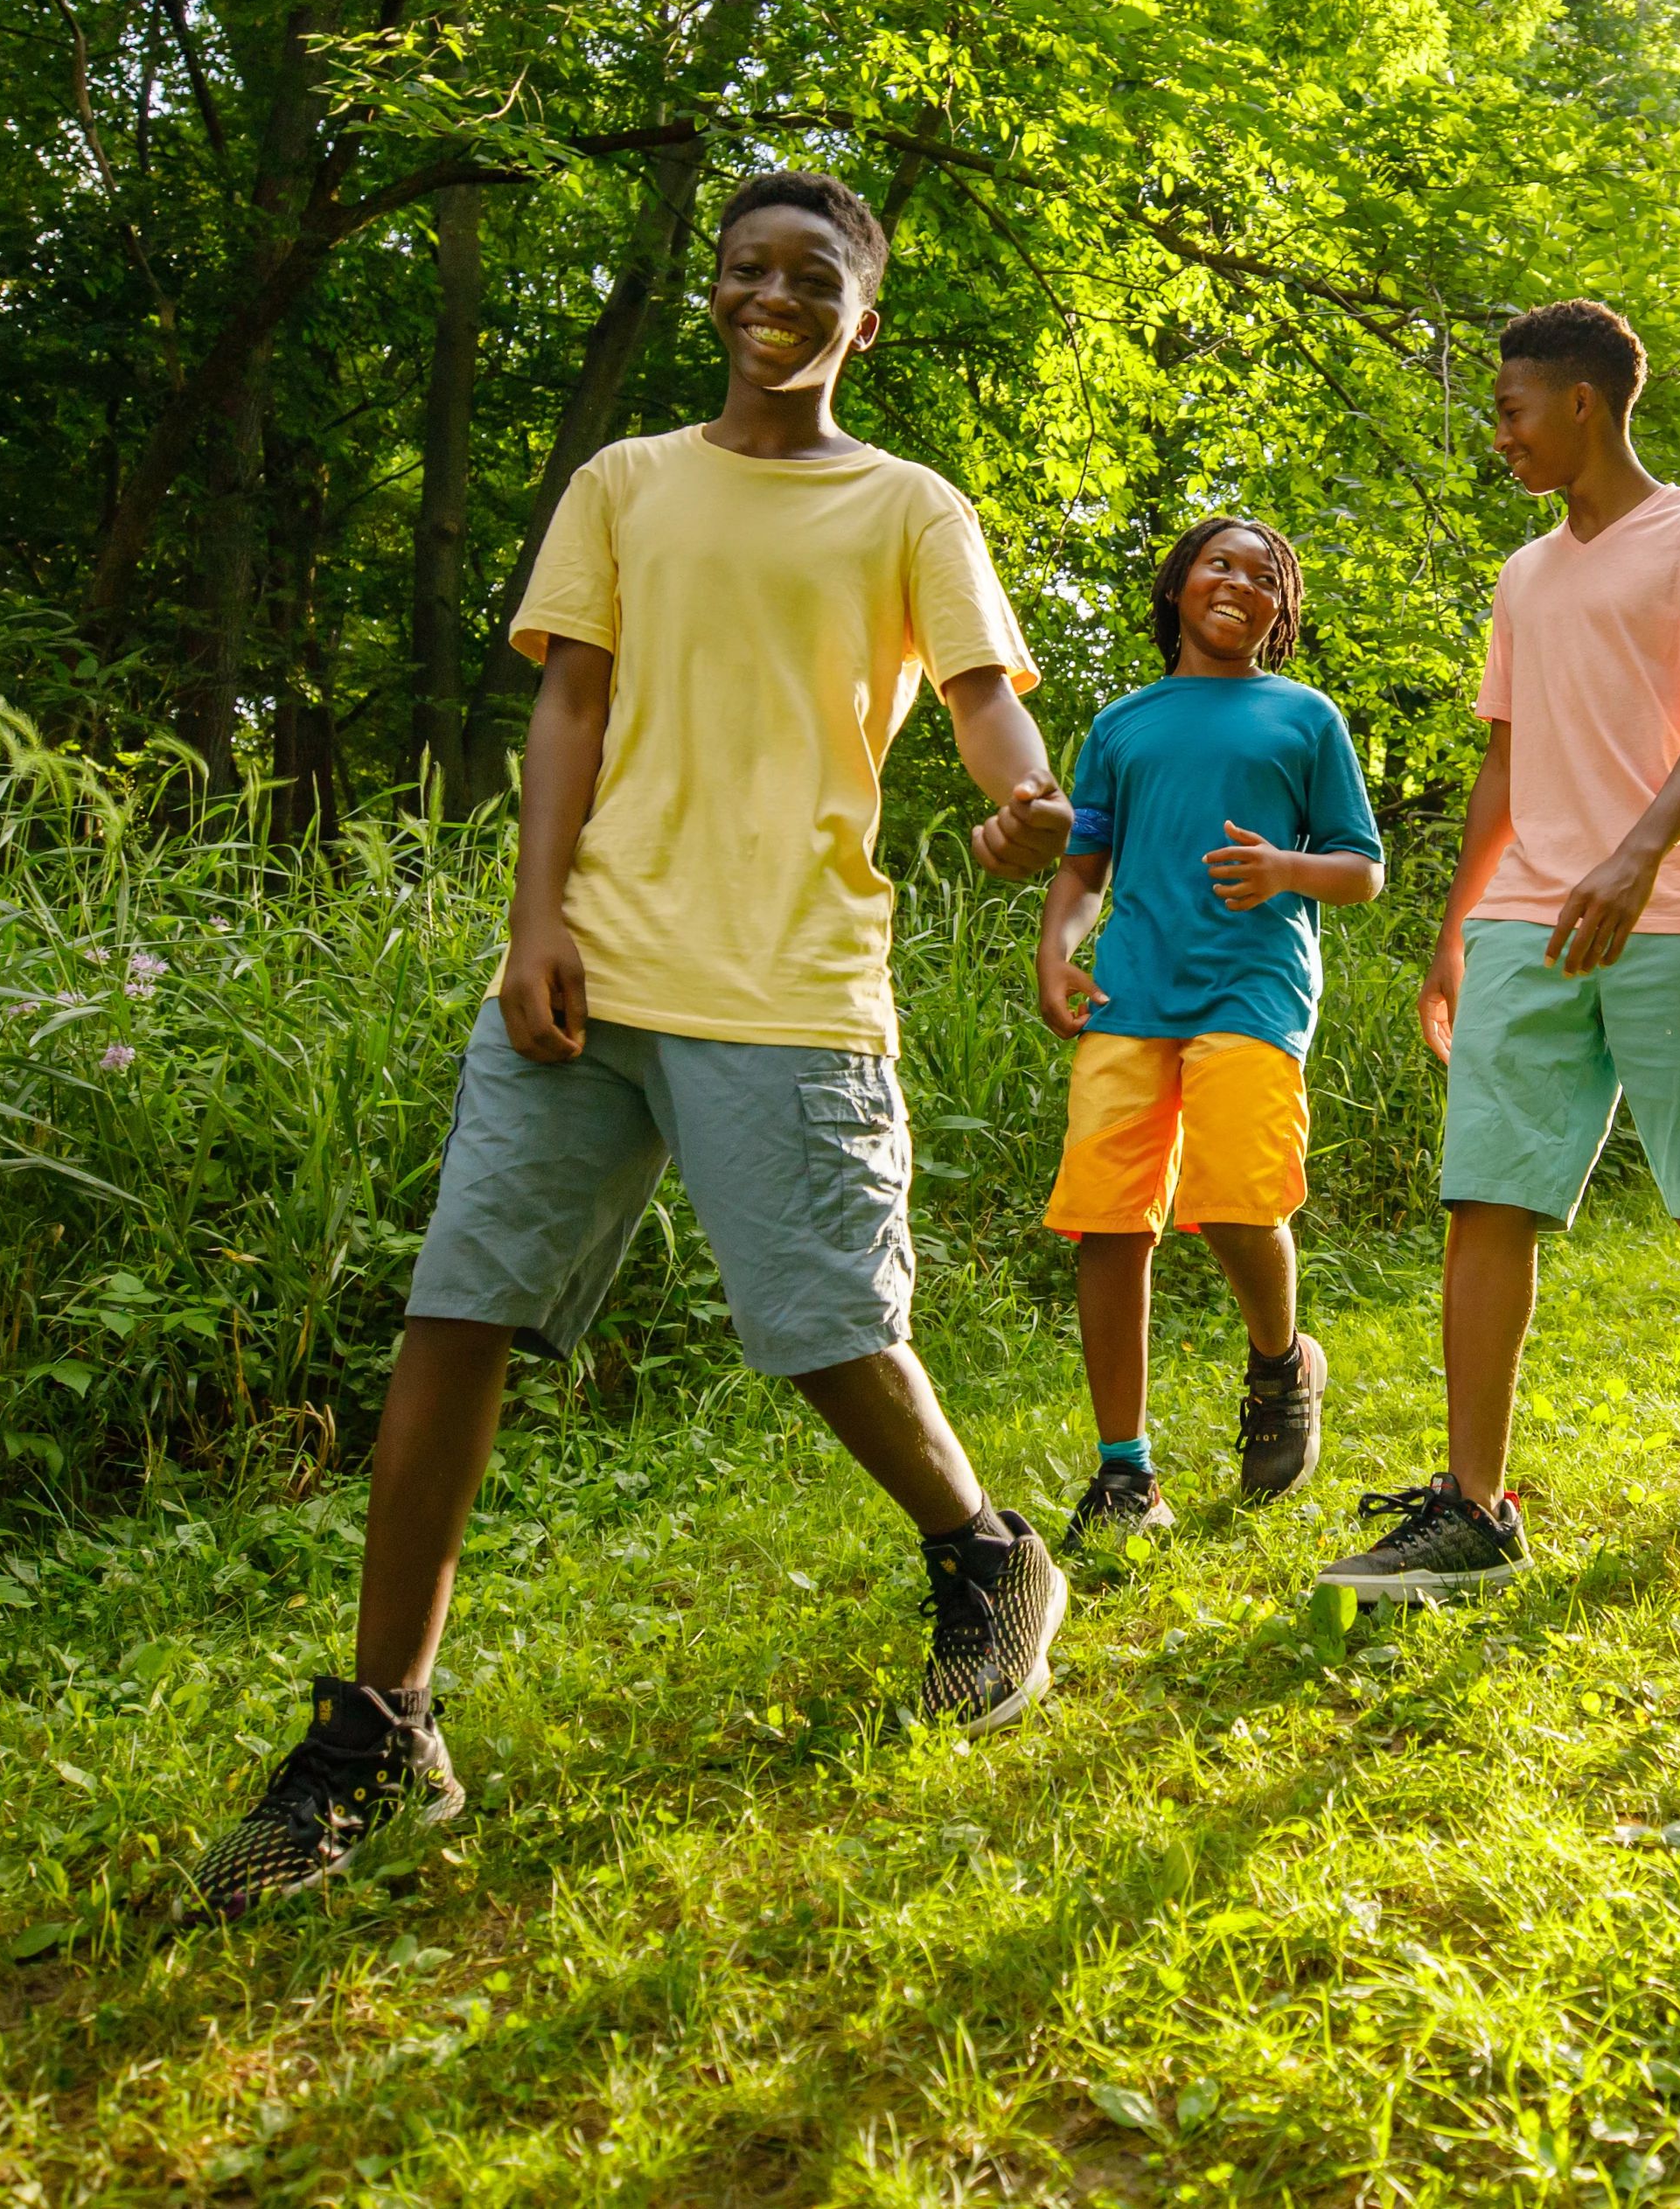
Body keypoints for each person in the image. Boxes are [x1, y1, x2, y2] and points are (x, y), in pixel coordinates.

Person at [193, 169, 1083, 1917]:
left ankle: (985, 1556)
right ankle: (384, 1727)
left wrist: (1031, 809)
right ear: (710, 295)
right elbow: (571, 698)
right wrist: (535, 916)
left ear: (862, 316)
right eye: (743, 265)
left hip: (788, 974)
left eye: (810, 272)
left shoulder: (910, 505)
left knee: (822, 1327)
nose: (771, 291)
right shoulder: (626, 484)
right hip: (589, 964)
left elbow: (986, 703)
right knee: (459, 1307)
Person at [1318, 298, 1680, 1603]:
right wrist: (1452, 935)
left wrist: (1638, 852)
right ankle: (1474, 1502)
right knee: (1489, 1190)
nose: (1502, 435)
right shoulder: (1525, 574)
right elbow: (1507, 755)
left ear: (1582, 401)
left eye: (1513, 408)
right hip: (1530, 912)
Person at [1030, 514, 1385, 1545]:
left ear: (1280, 613)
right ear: (1178, 580)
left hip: (1253, 988)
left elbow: (1360, 868)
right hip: (1130, 995)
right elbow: (1083, 866)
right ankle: (1122, 1471)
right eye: (1219, 561)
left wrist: (1286, 869)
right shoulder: (1121, 724)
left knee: (1234, 1204)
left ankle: (1280, 1363)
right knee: (1107, 1222)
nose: (1239, 581)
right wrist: (1058, 950)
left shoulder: (1302, 717)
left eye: (1265, 574)